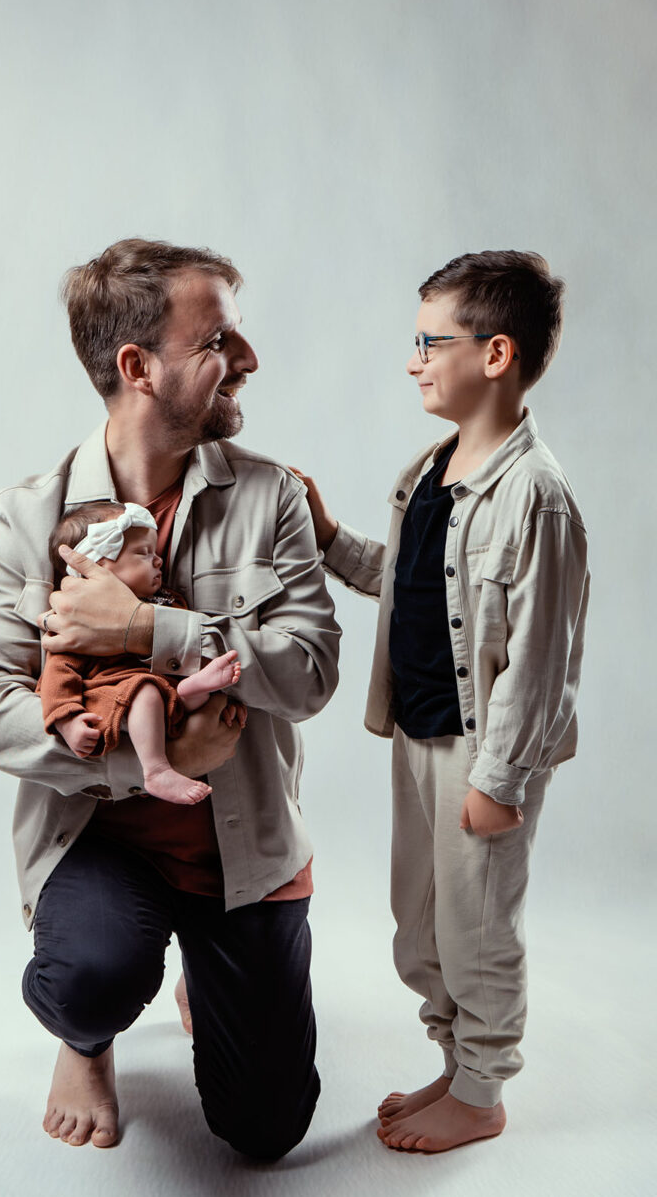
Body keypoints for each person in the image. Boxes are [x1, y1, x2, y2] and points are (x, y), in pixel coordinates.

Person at [0, 238, 340, 1158]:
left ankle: (209, 976)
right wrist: (143, 758)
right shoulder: (25, 518)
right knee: (90, 976)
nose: (246, 359)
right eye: (219, 341)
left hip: (245, 851)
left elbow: (312, 670)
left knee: (267, 1131)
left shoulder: (271, 497)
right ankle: (85, 1039)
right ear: (138, 367)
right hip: (99, 839)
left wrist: (147, 633)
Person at [294, 250, 589, 1153]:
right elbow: (421, 587)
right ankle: (454, 1059)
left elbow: (542, 660)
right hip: (415, 734)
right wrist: (335, 539)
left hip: (478, 751)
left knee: (477, 926)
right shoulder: (430, 469)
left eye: (431, 342)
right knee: (418, 919)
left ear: (495, 355)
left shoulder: (536, 500)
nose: (413, 359)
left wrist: (500, 779)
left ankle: (483, 1089)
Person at [40, 500, 246, 805]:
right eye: (143, 553)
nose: (158, 560)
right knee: (146, 691)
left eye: (155, 552)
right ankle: (156, 769)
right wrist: (67, 721)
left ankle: (200, 688)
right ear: (97, 566)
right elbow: (57, 676)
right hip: (111, 694)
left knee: (178, 690)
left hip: (168, 694)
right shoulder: (75, 619)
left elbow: (182, 648)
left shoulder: (167, 602)